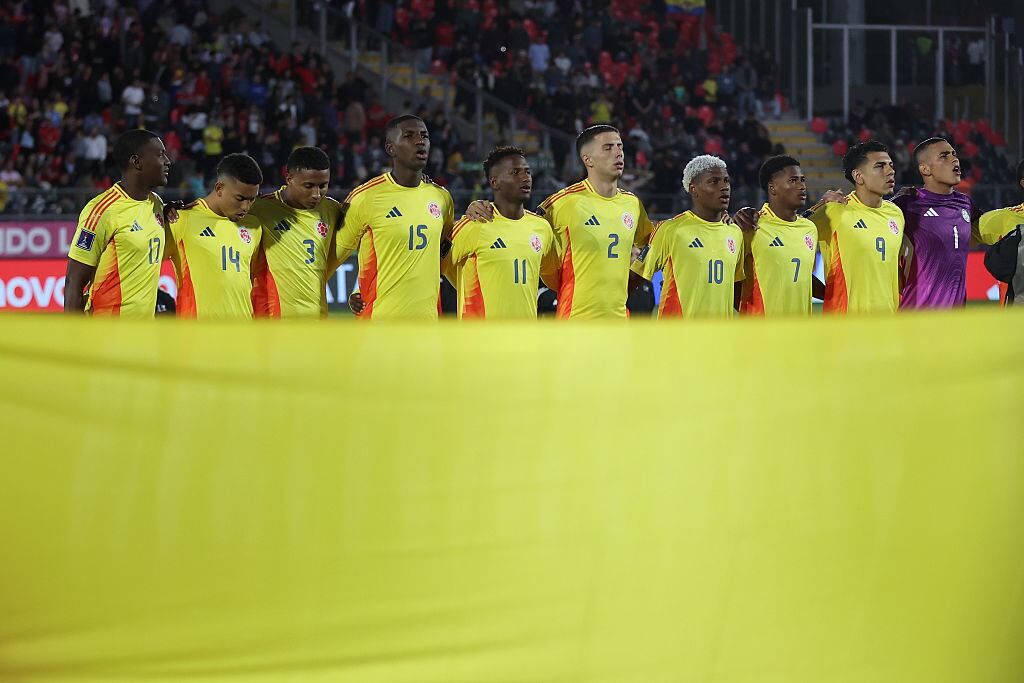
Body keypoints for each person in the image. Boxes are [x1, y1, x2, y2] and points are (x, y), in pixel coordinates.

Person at [465, 125, 655, 319]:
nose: (618, 153)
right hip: (575, 321)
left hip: (619, 321)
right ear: (587, 159)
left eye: (619, 146)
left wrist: (633, 280)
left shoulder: (632, 204)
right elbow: (521, 226)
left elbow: (651, 244)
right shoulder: (562, 204)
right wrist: (477, 206)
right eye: (608, 148)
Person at [334, 115, 455, 320]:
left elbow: (445, 253)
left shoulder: (442, 198)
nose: (420, 141)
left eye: (424, 136)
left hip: (428, 326)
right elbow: (332, 256)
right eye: (409, 136)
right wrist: (359, 291)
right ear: (391, 148)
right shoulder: (365, 198)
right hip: (379, 325)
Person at [440, 146, 560, 319]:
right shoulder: (474, 224)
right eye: (515, 172)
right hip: (481, 341)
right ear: (494, 182)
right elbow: (437, 265)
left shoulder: (541, 227)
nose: (525, 178)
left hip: (526, 340)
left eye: (527, 172)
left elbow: (552, 275)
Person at [65, 129, 170, 316]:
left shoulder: (156, 204)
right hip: (105, 336)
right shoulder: (103, 210)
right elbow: (74, 283)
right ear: (137, 162)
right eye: (160, 155)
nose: (167, 161)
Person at [632, 155, 744, 318]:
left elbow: (735, 290)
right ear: (693, 189)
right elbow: (637, 275)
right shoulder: (671, 229)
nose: (724, 187)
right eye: (714, 181)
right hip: (679, 338)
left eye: (726, 180)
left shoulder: (735, 233)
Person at [805, 140, 904, 314]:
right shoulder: (835, 210)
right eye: (880, 166)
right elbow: (789, 230)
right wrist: (817, 206)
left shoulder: (896, 214)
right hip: (846, 326)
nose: (890, 171)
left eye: (890, 165)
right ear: (858, 176)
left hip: (888, 325)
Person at [248, 146, 343, 318]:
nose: (316, 194)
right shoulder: (259, 208)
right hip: (271, 320)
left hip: (317, 319)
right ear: (289, 178)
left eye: (323, 186)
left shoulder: (332, 209)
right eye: (308, 186)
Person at [165, 153, 263, 319]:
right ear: (219, 188)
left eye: (251, 199)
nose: (246, 206)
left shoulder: (254, 226)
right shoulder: (182, 219)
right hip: (197, 337)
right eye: (240, 198)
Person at [892, 138, 984, 309]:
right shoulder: (908, 203)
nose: (954, 159)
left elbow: (991, 225)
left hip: (954, 323)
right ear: (925, 169)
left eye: (954, 154)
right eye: (944, 156)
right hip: (916, 319)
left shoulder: (965, 203)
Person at [740, 155, 822, 316]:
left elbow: (801, 277)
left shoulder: (809, 228)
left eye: (802, 180)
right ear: (773, 188)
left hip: (801, 333)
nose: (801, 186)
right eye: (793, 181)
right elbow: (734, 280)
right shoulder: (752, 226)